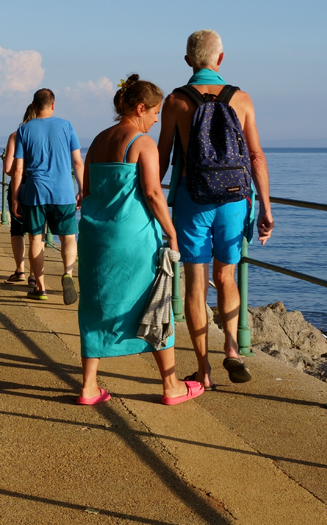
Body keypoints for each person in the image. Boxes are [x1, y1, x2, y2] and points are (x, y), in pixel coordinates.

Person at [76, 76, 203, 406]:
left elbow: (87, 190)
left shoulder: (99, 140)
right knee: (156, 303)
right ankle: (171, 384)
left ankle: (89, 386)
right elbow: (152, 193)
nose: (157, 119)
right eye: (156, 112)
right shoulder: (142, 143)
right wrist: (172, 233)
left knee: (94, 306)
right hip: (133, 239)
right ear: (140, 108)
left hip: (95, 237)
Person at [158, 29, 274, 388]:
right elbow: (255, 156)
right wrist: (266, 208)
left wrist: (150, 199)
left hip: (193, 199)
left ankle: (203, 371)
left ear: (188, 61)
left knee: (196, 283)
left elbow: (161, 156)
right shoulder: (242, 100)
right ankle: (233, 350)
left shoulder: (176, 101)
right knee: (226, 276)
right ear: (220, 59)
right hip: (235, 199)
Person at [11, 89, 84, 304]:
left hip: (35, 193)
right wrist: (82, 189)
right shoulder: (66, 126)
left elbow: (17, 169)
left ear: (33, 106)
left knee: (36, 238)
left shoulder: (24, 129)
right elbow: (78, 162)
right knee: (68, 237)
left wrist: (16, 197)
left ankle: (40, 288)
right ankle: (68, 273)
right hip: (64, 192)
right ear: (53, 105)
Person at [3, 103, 39, 286]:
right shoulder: (43, 136)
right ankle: (35, 275)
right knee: (36, 231)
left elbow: (8, 169)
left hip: (20, 186)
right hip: (39, 187)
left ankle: (20, 270)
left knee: (17, 229)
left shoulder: (15, 136)